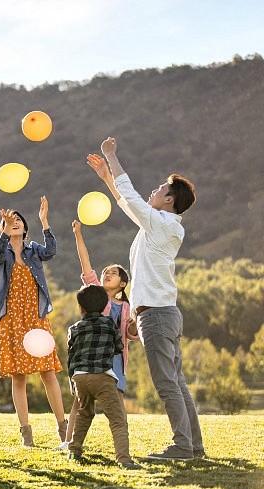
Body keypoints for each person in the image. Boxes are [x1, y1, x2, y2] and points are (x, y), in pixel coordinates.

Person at [87, 137, 205, 461]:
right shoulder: (159, 224)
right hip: (159, 313)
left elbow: (132, 197)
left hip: (158, 315)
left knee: (168, 384)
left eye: (160, 189)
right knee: (176, 382)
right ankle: (194, 447)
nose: (154, 191)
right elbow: (129, 203)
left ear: (169, 201)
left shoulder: (162, 224)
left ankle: (183, 446)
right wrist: (107, 180)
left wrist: (112, 156)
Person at [0, 198, 67, 447]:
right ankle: (26, 432)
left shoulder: (34, 250)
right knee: (19, 376)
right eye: (9, 221)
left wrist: (45, 222)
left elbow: (51, 251)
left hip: (36, 317)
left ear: (25, 227)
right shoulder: (3, 253)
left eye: (18, 220)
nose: (15, 223)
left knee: (48, 371)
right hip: (12, 319)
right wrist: (3, 235)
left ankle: (63, 427)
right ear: (2, 228)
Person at [59, 220, 138, 450]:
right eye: (106, 272)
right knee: (80, 402)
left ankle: (123, 444)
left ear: (123, 283)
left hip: (114, 358)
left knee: (117, 402)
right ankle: (68, 441)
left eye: (113, 273)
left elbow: (130, 335)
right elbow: (86, 263)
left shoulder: (126, 307)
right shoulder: (94, 292)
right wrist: (78, 234)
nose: (107, 274)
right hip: (92, 356)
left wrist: (133, 325)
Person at [66, 285, 141, 470]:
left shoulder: (74, 328)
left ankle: (74, 450)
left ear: (81, 308)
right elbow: (118, 347)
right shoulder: (109, 324)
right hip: (103, 377)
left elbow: (71, 355)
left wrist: (72, 382)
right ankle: (123, 459)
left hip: (80, 378)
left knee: (84, 413)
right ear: (104, 305)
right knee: (117, 419)